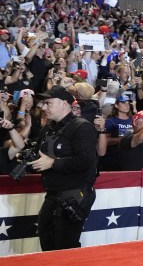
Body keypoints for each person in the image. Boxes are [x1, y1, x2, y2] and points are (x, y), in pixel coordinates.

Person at [31, 85, 98, 251]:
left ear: (64, 103)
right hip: (52, 195)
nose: (43, 107)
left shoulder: (81, 126)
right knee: (46, 244)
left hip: (74, 195)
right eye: (43, 103)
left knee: (65, 248)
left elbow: (87, 161)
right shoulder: (47, 130)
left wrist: (53, 163)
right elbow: (37, 156)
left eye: (48, 103)